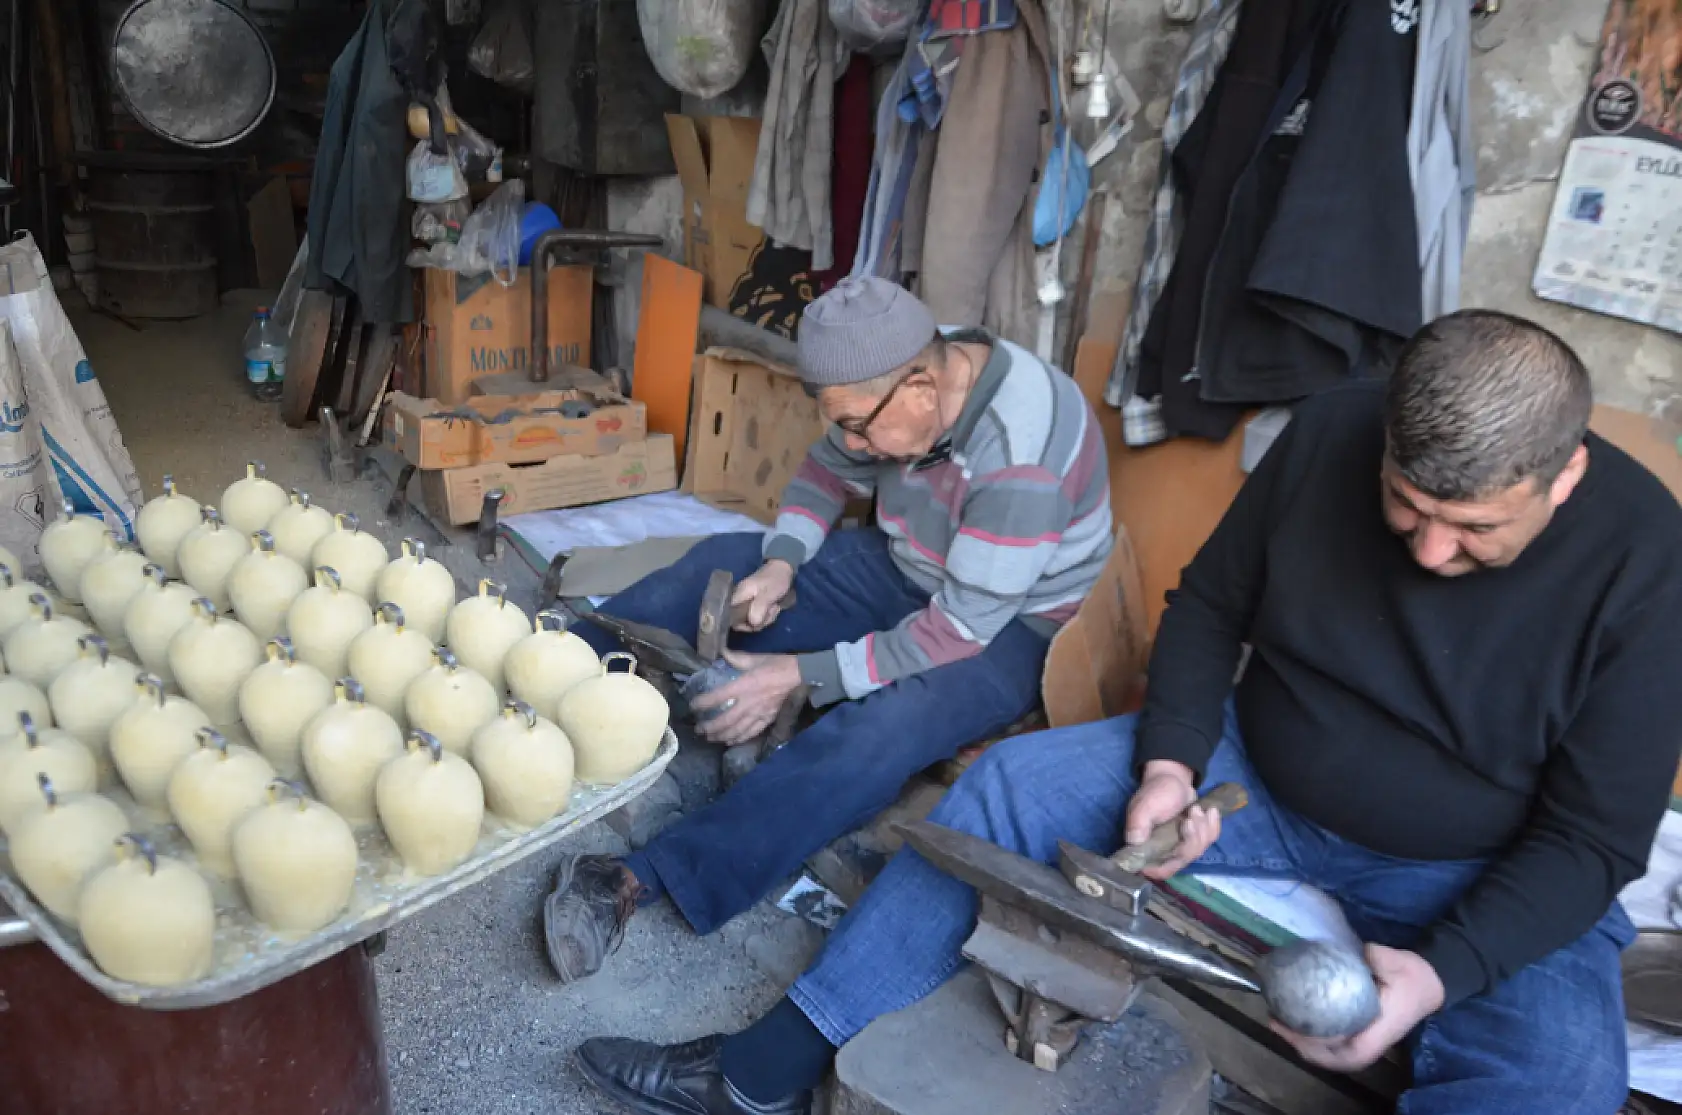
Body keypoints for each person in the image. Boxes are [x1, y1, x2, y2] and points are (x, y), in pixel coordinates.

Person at [569, 309, 1682, 1115]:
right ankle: (759, 1069)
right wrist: (1169, 766)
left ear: (1563, 475)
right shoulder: (1334, 436)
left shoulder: (1644, 560)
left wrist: (1441, 970)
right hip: (1256, 776)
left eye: (1471, 528)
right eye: (1407, 505)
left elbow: (1592, 839)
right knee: (1006, 789)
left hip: (1478, 857)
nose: (1430, 548)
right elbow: (1204, 611)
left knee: (1553, 1077)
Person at [544, 276, 1113, 985]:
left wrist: (802, 674)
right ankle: (537, 675)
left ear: (921, 390)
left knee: (877, 737)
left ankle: (637, 878)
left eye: (858, 425)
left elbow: (958, 628)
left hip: (1011, 623)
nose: (851, 439)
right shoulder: (892, 390)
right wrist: (783, 563)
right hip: (911, 563)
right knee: (722, 561)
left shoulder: (1018, 447)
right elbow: (825, 468)